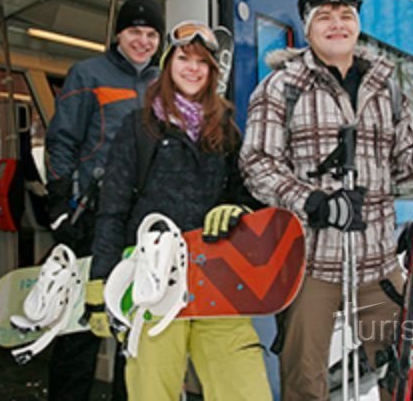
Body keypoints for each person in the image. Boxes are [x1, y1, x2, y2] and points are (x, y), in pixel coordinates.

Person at [238, 0, 413, 401]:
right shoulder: (279, 88)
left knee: (408, 373)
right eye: (324, 16)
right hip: (310, 265)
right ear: (308, 27)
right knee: (305, 383)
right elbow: (255, 164)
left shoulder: (387, 90)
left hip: (377, 262)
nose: (336, 24)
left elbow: (402, 172)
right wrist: (312, 201)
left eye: (346, 15)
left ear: (357, 24)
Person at [87, 21, 273, 401]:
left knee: (245, 389)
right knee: (153, 390)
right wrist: (100, 281)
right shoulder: (138, 128)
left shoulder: (226, 132)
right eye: (184, 59)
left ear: (212, 71)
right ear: (168, 64)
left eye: (202, 62)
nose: (193, 68)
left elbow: (249, 195)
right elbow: (114, 208)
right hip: (153, 281)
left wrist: (238, 210)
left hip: (217, 276)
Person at [45, 0, 164, 401]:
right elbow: (61, 139)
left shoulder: (162, 82)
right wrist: (59, 202)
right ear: (118, 34)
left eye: (151, 34)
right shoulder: (87, 74)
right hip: (91, 217)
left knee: (133, 326)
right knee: (80, 324)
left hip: (140, 221)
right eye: (135, 32)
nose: (143, 41)